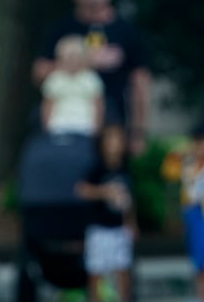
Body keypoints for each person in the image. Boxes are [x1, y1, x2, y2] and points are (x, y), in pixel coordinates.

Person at [33, 0, 151, 152]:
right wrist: (87, 61)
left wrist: (138, 132)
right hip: (64, 125)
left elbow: (141, 83)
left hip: (112, 126)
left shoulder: (128, 32)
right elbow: (38, 73)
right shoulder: (61, 29)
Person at [161, 121, 204, 301]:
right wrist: (180, 151)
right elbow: (168, 172)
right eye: (199, 142)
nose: (202, 146)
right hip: (191, 214)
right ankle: (202, 295)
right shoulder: (188, 162)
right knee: (197, 260)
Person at [77, 123, 135, 302]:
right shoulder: (96, 167)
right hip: (99, 229)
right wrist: (104, 192)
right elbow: (81, 189)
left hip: (119, 229)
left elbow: (130, 200)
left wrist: (131, 222)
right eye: (110, 139)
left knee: (123, 270)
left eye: (118, 139)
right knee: (96, 272)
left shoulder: (125, 168)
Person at [41, 35, 105, 137]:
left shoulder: (91, 79)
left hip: (85, 127)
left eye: (75, 56)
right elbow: (48, 106)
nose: (72, 61)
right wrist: (47, 128)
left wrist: (97, 130)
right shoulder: (55, 79)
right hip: (58, 126)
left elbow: (98, 106)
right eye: (68, 57)